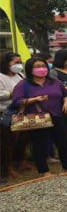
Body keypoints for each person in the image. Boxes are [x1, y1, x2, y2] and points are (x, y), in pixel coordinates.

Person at [10, 56, 67, 175]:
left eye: (43, 66)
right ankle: (44, 171)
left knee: (63, 142)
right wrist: (34, 100)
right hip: (36, 118)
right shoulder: (23, 84)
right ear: (30, 69)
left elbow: (65, 94)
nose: (41, 69)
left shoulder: (54, 81)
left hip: (56, 116)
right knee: (39, 145)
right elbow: (16, 101)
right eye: (37, 67)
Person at [1, 52, 28, 182]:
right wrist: (14, 93)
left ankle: (20, 161)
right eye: (15, 62)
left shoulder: (20, 75)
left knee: (22, 139)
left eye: (19, 62)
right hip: (5, 112)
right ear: (6, 63)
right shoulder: (1, 77)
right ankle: (7, 168)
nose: (18, 65)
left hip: (21, 110)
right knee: (7, 142)